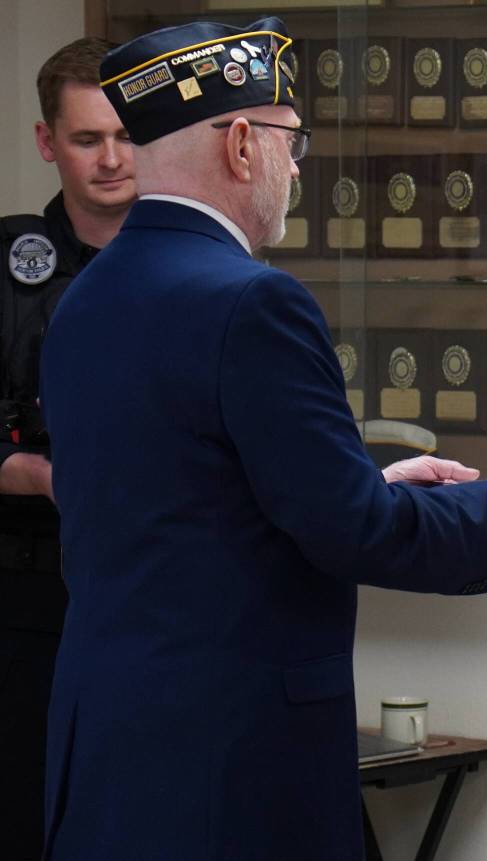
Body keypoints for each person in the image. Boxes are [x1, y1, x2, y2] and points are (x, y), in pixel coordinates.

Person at [37, 17, 487, 861]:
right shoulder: (254, 301)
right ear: (239, 145)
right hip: (232, 761)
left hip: (109, 744)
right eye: (292, 144)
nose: (297, 169)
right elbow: (347, 529)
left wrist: (376, 486)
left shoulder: (87, 298)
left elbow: (193, 500)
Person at [0, 36, 135, 860]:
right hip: (28, 608)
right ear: (49, 142)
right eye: (88, 140)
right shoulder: (8, 269)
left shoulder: (206, 263)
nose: (113, 160)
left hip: (163, 606)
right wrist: (38, 475)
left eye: (127, 136)